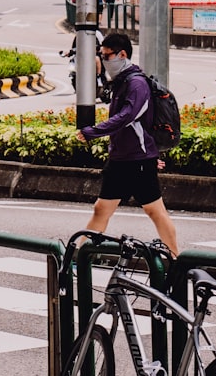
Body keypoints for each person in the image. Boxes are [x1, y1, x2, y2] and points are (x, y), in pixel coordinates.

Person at [75, 32, 179, 256]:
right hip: (121, 158)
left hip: (138, 161)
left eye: (107, 56)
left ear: (122, 54)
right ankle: (80, 256)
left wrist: (93, 132)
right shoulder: (121, 82)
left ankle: (176, 258)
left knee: (155, 211)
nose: (103, 60)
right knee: (102, 208)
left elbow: (127, 117)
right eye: (101, 55)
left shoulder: (137, 84)